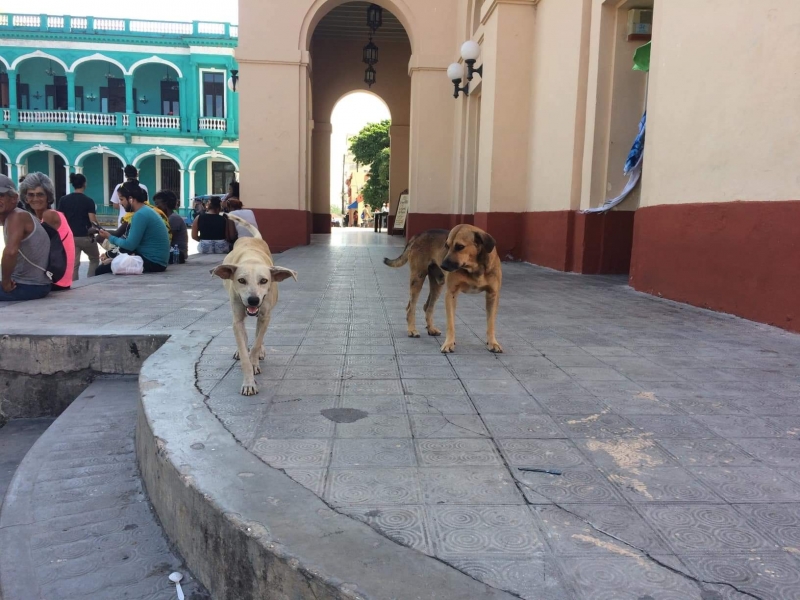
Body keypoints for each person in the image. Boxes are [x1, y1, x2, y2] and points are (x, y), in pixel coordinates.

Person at [95, 180, 169, 275]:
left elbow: (130, 245)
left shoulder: (140, 215)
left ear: (130, 199)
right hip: (155, 260)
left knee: (100, 270)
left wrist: (109, 237)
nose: (120, 203)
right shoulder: (145, 211)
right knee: (111, 263)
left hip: (153, 262)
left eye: (121, 199)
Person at [0, 175, 52, 301]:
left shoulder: (17, 216)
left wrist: (5, 282)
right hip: (32, 285)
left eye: (1, 196)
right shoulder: (13, 216)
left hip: (30, 286)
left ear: (14, 198)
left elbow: (10, 252)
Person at [20, 172, 75, 291]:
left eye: (40, 195)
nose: (35, 199)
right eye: (31, 195)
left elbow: (37, 250)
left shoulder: (50, 215)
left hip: (55, 279)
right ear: (26, 198)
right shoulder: (40, 217)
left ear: (48, 197)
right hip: (56, 278)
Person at [58, 173, 99, 280]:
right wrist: (99, 229)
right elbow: (93, 220)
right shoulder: (88, 201)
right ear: (84, 184)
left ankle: (74, 285)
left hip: (70, 237)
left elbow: (61, 219)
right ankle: (91, 279)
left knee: (74, 264)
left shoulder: (63, 200)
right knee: (94, 258)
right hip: (85, 236)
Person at [153, 189, 188, 263]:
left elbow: (166, 239)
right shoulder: (167, 218)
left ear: (165, 204)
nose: (155, 207)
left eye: (157, 204)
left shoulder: (173, 218)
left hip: (177, 254)